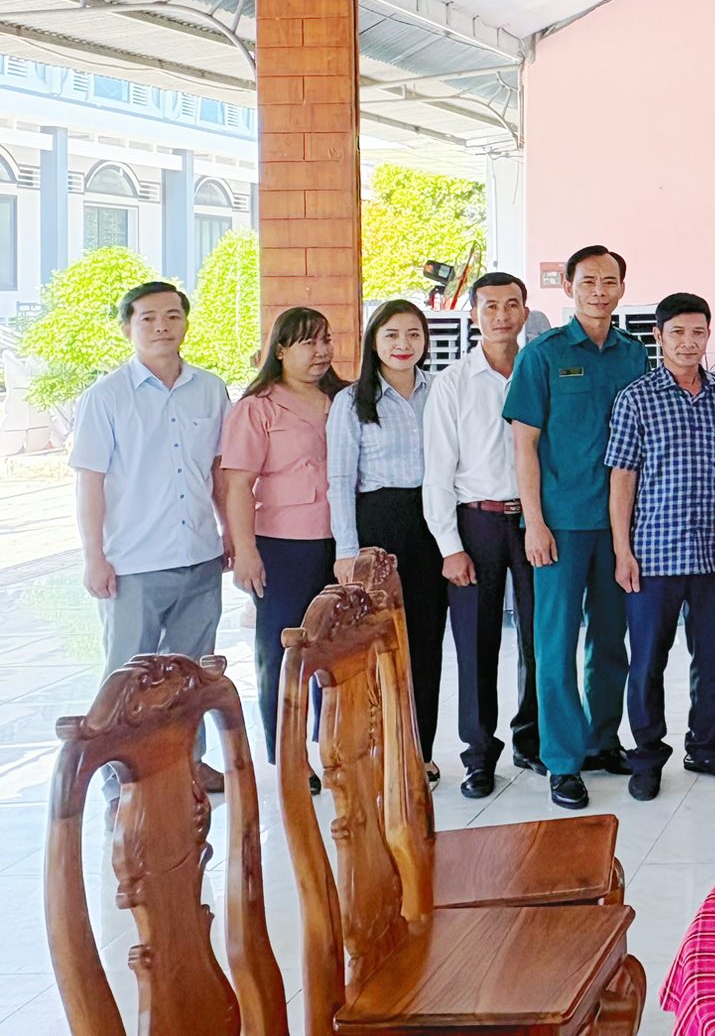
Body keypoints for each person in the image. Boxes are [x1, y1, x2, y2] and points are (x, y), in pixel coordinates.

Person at [505, 244, 650, 809]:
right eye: (588, 281)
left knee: (612, 639)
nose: (599, 291)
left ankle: (601, 740)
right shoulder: (541, 356)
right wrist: (534, 523)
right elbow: (524, 445)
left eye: (609, 281)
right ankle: (562, 761)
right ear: (568, 287)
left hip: (620, 525)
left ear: (622, 288)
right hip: (561, 524)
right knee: (556, 642)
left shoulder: (634, 354)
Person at [69, 281, 231, 789]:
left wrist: (229, 530)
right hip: (133, 562)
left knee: (190, 674)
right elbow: (90, 482)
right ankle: (120, 778)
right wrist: (94, 556)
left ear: (186, 322)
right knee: (127, 676)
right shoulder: (105, 397)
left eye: (172, 316)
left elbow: (219, 471)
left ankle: (186, 765)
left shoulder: (211, 389)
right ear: (127, 328)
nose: (162, 326)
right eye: (148, 318)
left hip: (200, 554)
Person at [607, 292, 715, 799]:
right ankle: (647, 756)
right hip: (654, 553)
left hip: (714, 549)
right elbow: (622, 478)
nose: (689, 343)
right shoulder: (636, 398)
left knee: (712, 656)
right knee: (647, 660)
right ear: (658, 337)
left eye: (698, 333)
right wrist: (622, 551)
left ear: (709, 335)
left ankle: (704, 748)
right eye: (678, 333)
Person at [424, 271, 542, 799]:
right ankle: (478, 754)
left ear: (525, 313)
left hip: (535, 520)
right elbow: (437, 472)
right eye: (490, 306)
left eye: (511, 305)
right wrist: (450, 547)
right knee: (476, 642)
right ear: (474, 315)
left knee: (541, 638)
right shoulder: (453, 383)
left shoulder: (538, 372)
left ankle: (531, 740)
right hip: (477, 523)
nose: (501, 315)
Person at [220, 306, 343, 771]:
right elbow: (237, 485)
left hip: (341, 541)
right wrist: (245, 551)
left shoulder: (345, 399)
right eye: (309, 342)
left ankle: (332, 746)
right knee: (283, 652)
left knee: (335, 650)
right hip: (283, 545)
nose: (321, 351)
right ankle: (288, 756)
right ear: (280, 350)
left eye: (326, 339)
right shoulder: (258, 407)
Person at [327, 299, 443, 782]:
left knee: (427, 642)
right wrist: (347, 550)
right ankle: (376, 754)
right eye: (391, 335)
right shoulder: (352, 401)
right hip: (379, 524)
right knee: (377, 646)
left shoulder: (440, 391)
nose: (403, 344)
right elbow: (339, 479)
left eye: (413, 334)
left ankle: (420, 752)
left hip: (433, 522)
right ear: (373, 341)